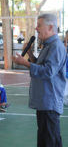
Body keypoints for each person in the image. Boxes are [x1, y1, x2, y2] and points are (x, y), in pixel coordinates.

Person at [13, 13, 67, 147]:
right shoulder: (48, 45)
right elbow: (41, 65)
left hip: (50, 101)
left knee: (49, 140)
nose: (36, 29)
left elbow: (48, 71)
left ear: (50, 27)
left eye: (39, 25)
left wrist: (25, 64)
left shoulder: (55, 46)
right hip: (45, 101)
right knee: (46, 139)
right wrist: (30, 54)